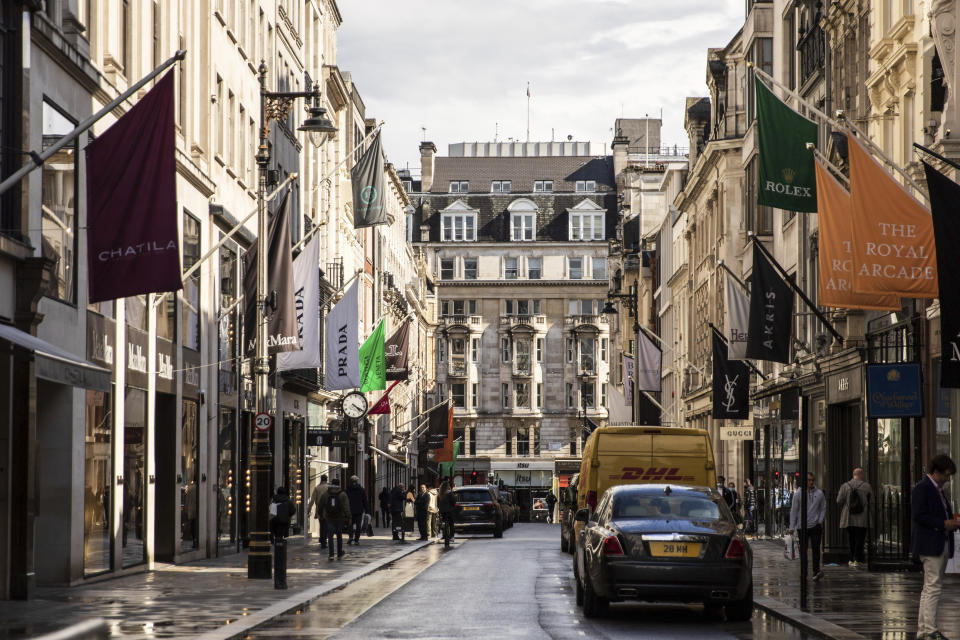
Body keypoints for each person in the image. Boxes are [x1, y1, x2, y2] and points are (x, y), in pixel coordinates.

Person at [912, 454, 959, 640]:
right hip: (931, 543)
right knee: (933, 587)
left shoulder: (937, 490)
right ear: (936, 471)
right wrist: (943, 524)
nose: (948, 479)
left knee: (929, 588)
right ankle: (930, 629)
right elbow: (919, 515)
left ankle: (924, 629)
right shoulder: (923, 488)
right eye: (946, 475)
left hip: (939, 542)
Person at [789, 472, 827, 581]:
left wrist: (819, 520)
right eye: (809, 480)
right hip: (802, 526)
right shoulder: (798, 494)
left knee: (816, 550)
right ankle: (804, 572)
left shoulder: (819, 493)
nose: (811, 482)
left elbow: (823, 507)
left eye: (812, 480)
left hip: (815, 526)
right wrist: (792, 527)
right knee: (803, 551)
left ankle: (816, 571)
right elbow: (794, 511)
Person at [837, 468, 872, 567]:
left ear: (853, 475)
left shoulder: (845, 486)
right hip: (863, 517)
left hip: (849, 517)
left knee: (851, 538)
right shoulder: (867, 486)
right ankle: (858, 558)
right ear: (861, 475)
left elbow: (839, 500)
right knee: (860, 538)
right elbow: (872, 500)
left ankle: (851, 558)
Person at [269, 486, 297, 589]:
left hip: (274, 522)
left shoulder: (274, 499)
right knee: (281, 539)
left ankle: (276, 542)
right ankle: (280, 542)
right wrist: (287, 515)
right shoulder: (288, 500)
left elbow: (271, 512)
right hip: (284, 522)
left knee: (277, 538)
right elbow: (293, 511)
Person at [321, 479, 351, 560]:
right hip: (339, 518)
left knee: (330, 536)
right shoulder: (343, 494)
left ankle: (331, 554)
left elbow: (320, 504)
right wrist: (348, 516)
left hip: (329, 518)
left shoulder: (326, 494)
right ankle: (339, 553)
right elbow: (346, 506)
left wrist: (321, 515)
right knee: (339, 536)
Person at [306, 474, 330, 550]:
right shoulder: (329, 487)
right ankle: (324, 540)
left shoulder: (317, 488)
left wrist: (308, 510)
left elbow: (312, 500)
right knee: (326, 525)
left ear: (321, 479)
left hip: (319, 509)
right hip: (328, 509)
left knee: (322, 524)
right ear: (326, 479)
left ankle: (322, 539)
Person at [345, 475, 368, 546]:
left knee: (350, 524)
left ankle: (351, 536)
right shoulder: (361, 489)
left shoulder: (347, 490)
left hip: (350, 510)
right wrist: (367, 510)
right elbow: (364, 500)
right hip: (359, 510)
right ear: (357, 481)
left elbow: (345, 500)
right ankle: (356, 540)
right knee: (358, 526)